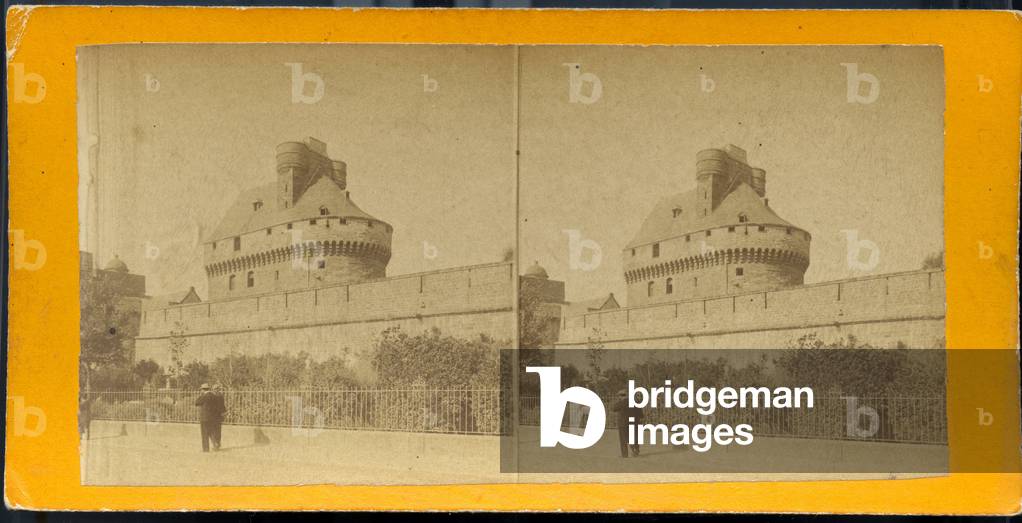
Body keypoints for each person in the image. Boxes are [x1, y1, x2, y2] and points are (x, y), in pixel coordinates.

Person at [613, 388, 643, 458]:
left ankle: (625, 454)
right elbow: (641, 414)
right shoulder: (635, 402)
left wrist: (619, 401)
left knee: (623, 439)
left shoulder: (622, 402)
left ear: (621, 396)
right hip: (635, 422)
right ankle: (636, 449)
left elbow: (614, 408)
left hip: (623, 423)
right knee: (634, 437)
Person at [194, 383, 219, 452]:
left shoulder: (204, 396)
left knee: (204, 433)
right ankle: (215, 444)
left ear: (203, 389)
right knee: (211, 432)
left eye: (201, 390)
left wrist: (201, 395)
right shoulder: (214, 396)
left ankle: (205, 449)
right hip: (212, 417)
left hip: (204, 417)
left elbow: (196, 402)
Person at [210, 383, 227, 450]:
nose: (216, 390)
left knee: (216, 430)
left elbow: (222, 406)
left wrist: (224, 413)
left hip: (216, 415)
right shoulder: (219, 396)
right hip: (215, 415)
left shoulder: (218, 396)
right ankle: (216, 444)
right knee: (215, 430)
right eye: (215, 389)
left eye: (217, 389)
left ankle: (216, 444)